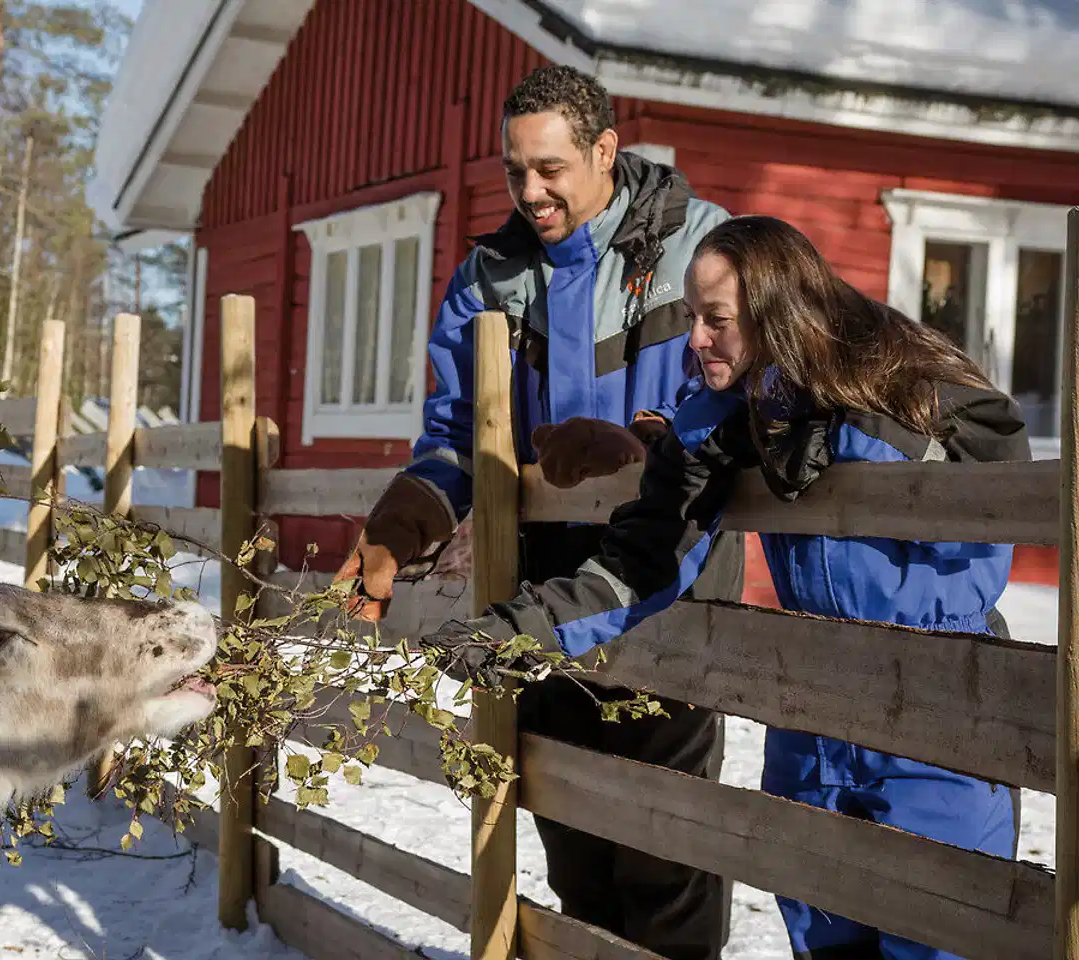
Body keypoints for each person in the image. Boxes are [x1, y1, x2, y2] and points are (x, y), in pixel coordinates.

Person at [420, 214, 1027, 960]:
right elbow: (640, 561)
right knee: (825, 937)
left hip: (939, 713)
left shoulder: (903, 381)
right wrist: (523, 627)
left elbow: (1002, 466)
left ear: (778, 317)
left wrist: (842, 421)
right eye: (692, 318)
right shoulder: (722, 422)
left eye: (716, 321)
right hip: (811, 715)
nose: (696, 341)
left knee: (941, 941)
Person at [335, 63, 742, 958]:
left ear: (605, 151)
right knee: (572, 841)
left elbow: (738, 395)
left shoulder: (703, 250)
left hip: (666, 578)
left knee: (662, 849)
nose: (530, 191)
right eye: (515, 169)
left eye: (550, 169)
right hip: (542, 589)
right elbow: (454, 440)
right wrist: (401, 524)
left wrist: (644, 445)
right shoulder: (487, 277)